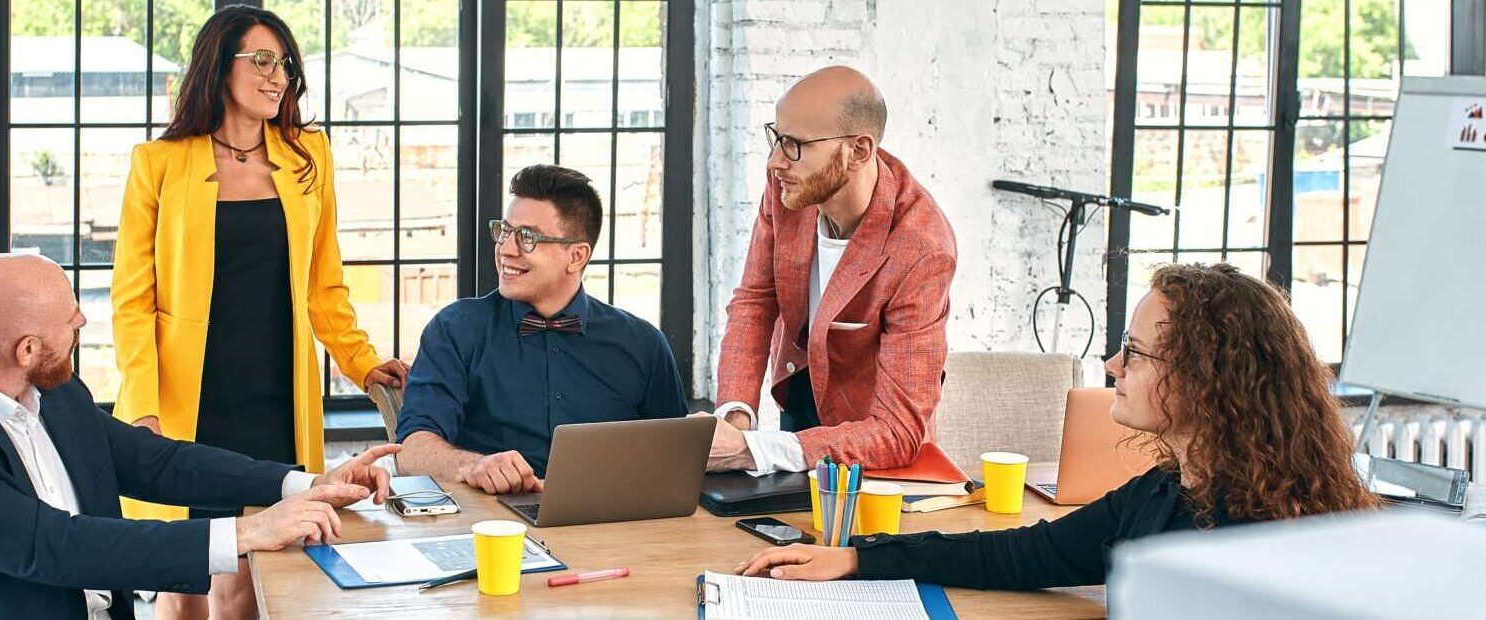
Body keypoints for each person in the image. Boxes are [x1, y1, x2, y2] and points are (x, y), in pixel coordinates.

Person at [735, 263, 1381, 588]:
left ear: (1201, 378)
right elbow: (1024, 551)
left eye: (1135, 351)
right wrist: (854, 557)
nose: (1110, 364)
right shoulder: (1166, 491)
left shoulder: (1259, 538)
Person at [0, 254, 399, 620]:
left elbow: (155, 462)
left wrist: (300, 484)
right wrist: (244, 533)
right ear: (26, 350)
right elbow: (56, 546)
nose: (82, 323)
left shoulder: (53, 392)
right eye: (70, 322)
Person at [110, 6, 407, 617]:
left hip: (275, 396)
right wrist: (141, 407)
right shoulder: (158, 164)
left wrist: (361, 361)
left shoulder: (308, 158)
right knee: (188, 574)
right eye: (263, 60)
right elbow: (132, 300)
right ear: (220, 67)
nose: (279, 76)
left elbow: (325, 282)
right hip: (186, 401)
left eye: (286, 64)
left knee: (256, 567)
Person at [701, 66, 957, 474]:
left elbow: (899, 432)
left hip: (872, 448)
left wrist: (749, 451)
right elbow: (755, 299)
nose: (774, 162)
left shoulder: (921, 250)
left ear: (858, 150)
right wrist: (735, 419)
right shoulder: (790, 187)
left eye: (795, 145)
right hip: (798, 393)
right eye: (776, 138)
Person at [393, 164, 689, 494]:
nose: (505, 249)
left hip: (613, 530)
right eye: (505, 232)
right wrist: (473, 466)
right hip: (490, 529)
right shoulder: (455, 330)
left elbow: (677, 462)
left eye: (527, 237)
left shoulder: (643, 345)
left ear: (576, 256)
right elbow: (412, 451)